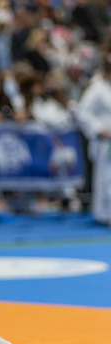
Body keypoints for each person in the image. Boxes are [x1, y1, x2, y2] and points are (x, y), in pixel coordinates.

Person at [77, 57, 111, 226]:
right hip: (105, 141)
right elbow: (82, 113)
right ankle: (105, 214)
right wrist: (99, 128)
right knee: (106, 178)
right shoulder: (97, 89)